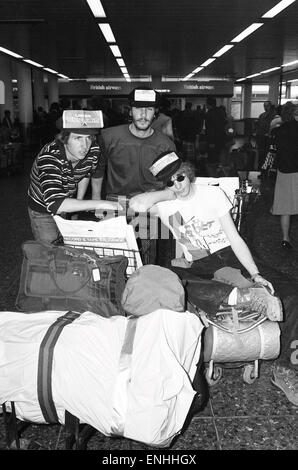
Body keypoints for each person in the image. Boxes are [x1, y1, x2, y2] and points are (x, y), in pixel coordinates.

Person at [146, 150, 298, 406]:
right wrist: (167, 193)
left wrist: (256, 274)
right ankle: (241, 294)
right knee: (175, 285)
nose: (177, 186)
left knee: (291, 291)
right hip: (197, 263)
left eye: (180, 178)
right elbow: (137, 204)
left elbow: (235, 239)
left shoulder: (212, 195)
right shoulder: (164, 204)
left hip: (227, 254)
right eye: (169, 182)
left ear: (189, 172)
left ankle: (285, 367)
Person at [27, 110, 120, 244]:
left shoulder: (93, 150)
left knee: (67, 245)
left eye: (89, 138)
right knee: (51, 248)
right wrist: (100, 203)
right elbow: (56, 204)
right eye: (78, 138)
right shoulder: (50, 158)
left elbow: (85, 173)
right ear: (64, 138)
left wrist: (78, 202)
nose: (85, 146)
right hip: (42, 207)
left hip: (66, 201)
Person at [271, 101, 298, 249]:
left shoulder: (278, 130)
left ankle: (285, 238)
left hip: (283, 171)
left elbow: (275, 151)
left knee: (285, 208)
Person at [204, 97, 227, 172]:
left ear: (209, 104)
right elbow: (224, 125)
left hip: (213, 140)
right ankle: (219, 171)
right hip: (221, 139)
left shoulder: (210, 113)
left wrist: (211, 142)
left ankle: (213, 174)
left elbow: (211, 129)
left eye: (206, 104)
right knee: (219, 156)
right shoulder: (221, 112)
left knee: (212, 159)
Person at [255, 100, 277, 171]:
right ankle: (261, 170)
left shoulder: (274, 116)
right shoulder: (261, 116)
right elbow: (258, 127)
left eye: (267, 106)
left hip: (269, 140)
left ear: (270, 106)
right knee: (261, 156)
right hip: (261, 139)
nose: (265, 107)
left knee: (268, 156)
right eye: (264, 106)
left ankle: (267, 171)